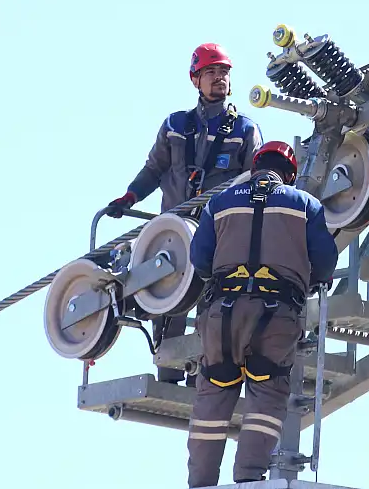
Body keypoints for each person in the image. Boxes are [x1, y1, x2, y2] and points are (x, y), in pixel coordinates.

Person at [185, 141, 339, 488]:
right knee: (266, 396)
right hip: (277, 315)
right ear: (291, 175)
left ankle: (201, 483)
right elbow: (327, 262)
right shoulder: (305, 205)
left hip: (222, 315)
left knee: (214, 393)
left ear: (255, 168)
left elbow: (200, 260)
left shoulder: (219, 202)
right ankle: (250, 480)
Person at [108, 42, 264, 383]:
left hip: (219, 236)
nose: (218, 79)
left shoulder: (244, 131)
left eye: (223, 72)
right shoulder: (176, 126)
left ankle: (204, 377)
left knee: (213, 306)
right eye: (211, 72)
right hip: (175, 234)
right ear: (195, 79)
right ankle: (168, 371)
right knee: (167, 301)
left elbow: (257, 181)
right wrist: (129, 198)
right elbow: (154, 169)